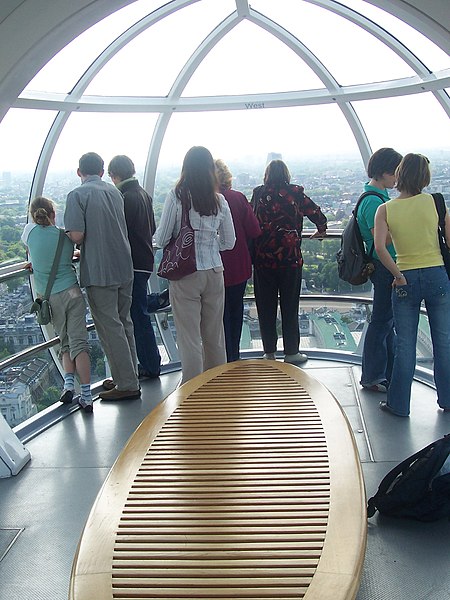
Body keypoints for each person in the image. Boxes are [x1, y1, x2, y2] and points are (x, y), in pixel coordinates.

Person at [374, 153, 450, 416]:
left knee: (405, 344)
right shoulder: (436, 202)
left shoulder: (386, 209)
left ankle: (399, 404)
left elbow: (380, 248)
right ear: (425, 177)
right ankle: (448, 399)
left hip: (405, 277)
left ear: (400, 173)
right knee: (444, 341)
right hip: (436, 275)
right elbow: (449, 241)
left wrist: (398, 275)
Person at [154, 146, 235, 384]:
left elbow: (162, 238)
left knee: (189, 336)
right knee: (214, 334)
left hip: (185, 274)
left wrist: (188, 246)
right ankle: (217, 384)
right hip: (214, 272)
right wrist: (209, 245)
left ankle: (192, 389)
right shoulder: (219, 200)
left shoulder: (177, 196)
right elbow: (229, 242)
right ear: (211, 170)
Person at [64, 152, 140, 401]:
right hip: (124, 266)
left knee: (110, 328)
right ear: (101, 171)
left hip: (100, 270)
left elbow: (76, 235)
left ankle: (127, 383)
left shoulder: (77, 195)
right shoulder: (113, 191)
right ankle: (128, 375)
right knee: (124, 322)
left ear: (79, 172)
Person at [251, 159, 327, 365]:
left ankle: (269, 352)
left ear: (267, 175)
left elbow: (250, 221)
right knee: (290, 305)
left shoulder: (258, 194)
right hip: (290, 258)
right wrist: (321, 230)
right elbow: (317, 214)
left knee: (265, 306)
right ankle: (292, 352)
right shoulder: (295, 193)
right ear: (286, 175)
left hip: (263, 259)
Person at [22, 197, 93, 412]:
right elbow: (68, 255)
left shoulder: (29, 233)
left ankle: (68, 385)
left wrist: (33, 264)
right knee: (79, 343)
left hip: (51, 296)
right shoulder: (64, 237)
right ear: (53, 214)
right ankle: (87, 395)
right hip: (72, 290)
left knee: (64, 342)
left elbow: (37, 253)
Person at [108, 154, 166, 380]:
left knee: (137, 315)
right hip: (146, 259)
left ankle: (151, 365)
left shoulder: (122, 197)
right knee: (139, 309)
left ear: (115, 175)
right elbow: (151, 227)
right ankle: (157, 299)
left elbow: (117, 233)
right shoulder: (143, 194)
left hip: (130, 263)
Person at [357, 148, 403, 393]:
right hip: (385, 267)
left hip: (386, 267)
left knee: (386, 322)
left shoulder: (376, 196)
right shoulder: (374, 201)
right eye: (394, 173)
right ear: (385, 172)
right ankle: (373, 375)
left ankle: (383, 374)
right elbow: (381, 241)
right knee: (382, 322)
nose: (397, 178)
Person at [215, 159, 261, 362]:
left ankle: (221, 358)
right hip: (239, 265)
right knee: (235, 310)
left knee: (217, 315)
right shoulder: (238, 198)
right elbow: (254, 229)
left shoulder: (202, 201)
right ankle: (234, 355)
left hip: (214, 266)